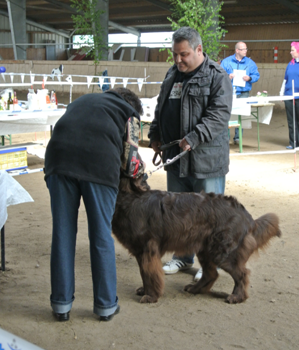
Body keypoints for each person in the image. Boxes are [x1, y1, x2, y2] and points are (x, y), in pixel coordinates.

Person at [44, 88, 144, 322]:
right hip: (99, 166)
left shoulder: (82, 100)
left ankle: (61, 305)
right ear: (134, 105)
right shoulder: (131, 114)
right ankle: (106, 305)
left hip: (58, 162)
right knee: (100, 235)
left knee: (62, 234)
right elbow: (131, 162)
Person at [148, 27, 232, 281]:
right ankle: (183, 259)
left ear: (198, 50)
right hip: (176, 160)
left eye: (183, 54)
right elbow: (160, 108)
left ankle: (211, 266)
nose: (178, 60)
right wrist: (155, 135)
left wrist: (194, 138)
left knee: (209, 216)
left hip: (206, 161)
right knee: (179, 215)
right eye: (175, 54)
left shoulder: (217, 77)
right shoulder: (172, 74)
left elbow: (219, 115)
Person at [221, 42, 260, 144]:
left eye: (246, 49)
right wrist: (227, 77)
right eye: (243, 49)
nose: (246, 51)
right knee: (227, 115)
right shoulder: (226, 62)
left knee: (240, 115)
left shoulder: (250, 63)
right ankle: (226, 137)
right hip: (229, 92)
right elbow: (219, 75)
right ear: (237, 50)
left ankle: (238, 138)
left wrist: (250, 78)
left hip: (244, 93)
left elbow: (256, 75)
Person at [280, 42, 299, 149]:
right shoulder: (290, 64)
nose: (290, 52)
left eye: (292, 50)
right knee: (291, 121)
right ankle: (293, 143)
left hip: (298, 97)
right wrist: (282, 93)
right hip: (289, 96)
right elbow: (285, 79)